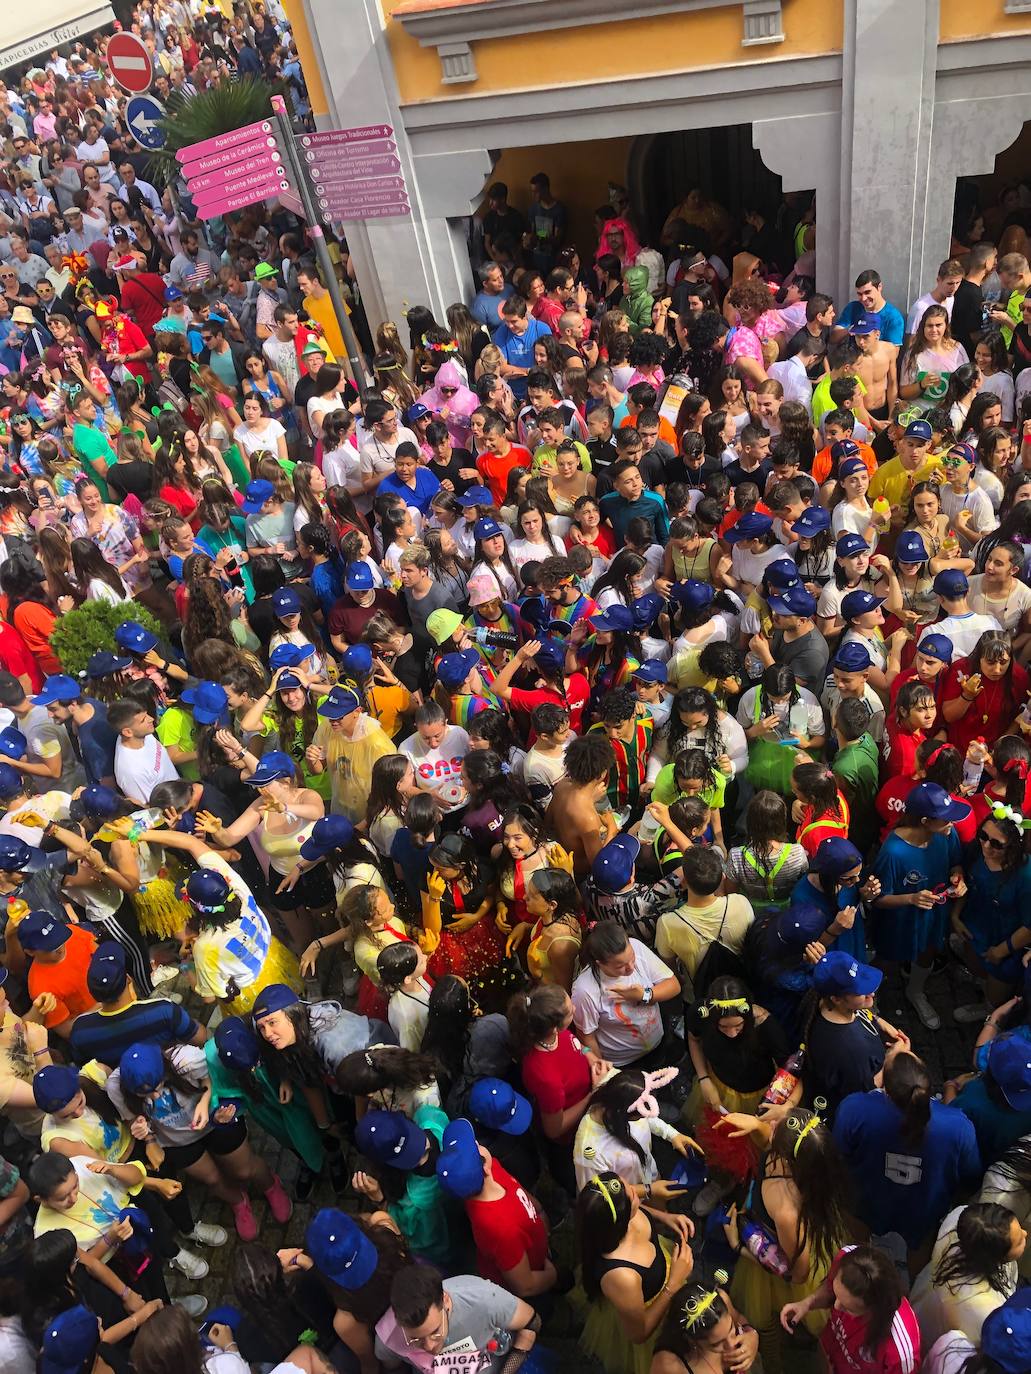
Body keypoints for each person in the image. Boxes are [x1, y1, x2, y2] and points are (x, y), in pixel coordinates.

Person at [780, 1244, 921, 1374]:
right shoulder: (849, 1258)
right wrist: (807, 1303)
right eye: (837, 1296)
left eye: (848, 1309)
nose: (835, 1307)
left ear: (874, 1309)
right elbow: (829, 1289)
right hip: (829, 1349)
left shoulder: (900, 1353)